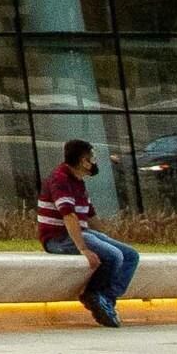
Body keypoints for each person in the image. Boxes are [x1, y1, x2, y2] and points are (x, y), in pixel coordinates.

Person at [34, 138, 137, 327]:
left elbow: (90, 216)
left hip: (79, 232)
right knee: (113, 256)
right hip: (59, 238)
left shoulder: (78, 181)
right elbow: (69, 216)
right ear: (83, 161)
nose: (95, 163)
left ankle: (106, 298)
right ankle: (93, 294)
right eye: (92, 158)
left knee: (130, 255)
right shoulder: (60, 179)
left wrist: (107, 238)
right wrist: (83, 249)